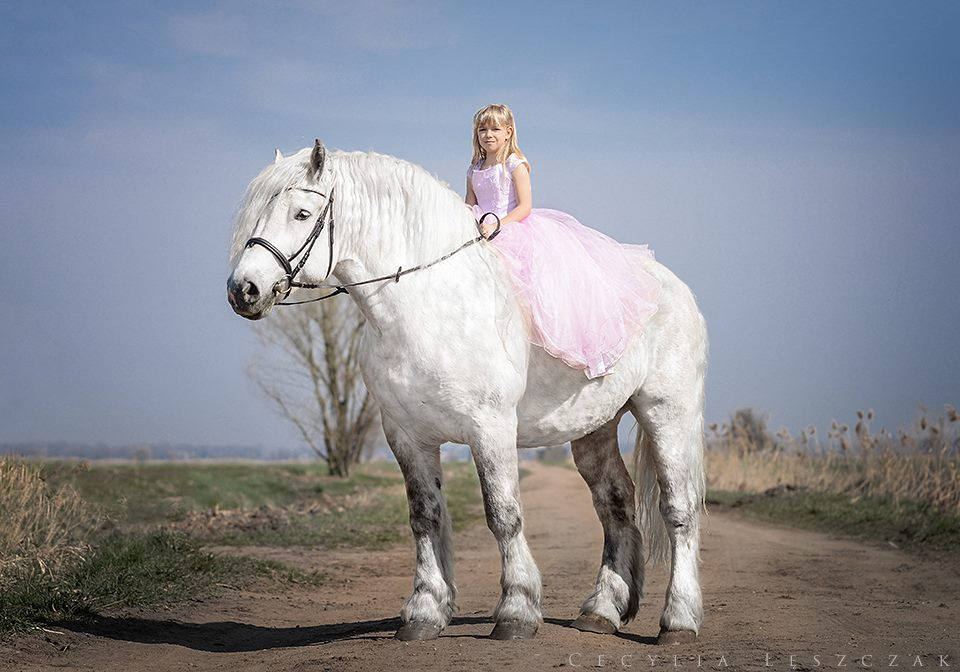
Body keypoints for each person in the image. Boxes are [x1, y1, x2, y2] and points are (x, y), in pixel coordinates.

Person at [466, 103, 661, 379]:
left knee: (530, 286)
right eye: (483, 129)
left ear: (508, 132)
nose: (488, 135)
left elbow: (525, 207)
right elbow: (469, 203)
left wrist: (498, 225)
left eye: (495, 129)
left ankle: (531, 348)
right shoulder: (474, 169)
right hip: (482, 230)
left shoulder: (515, 165)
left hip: (511, 229)